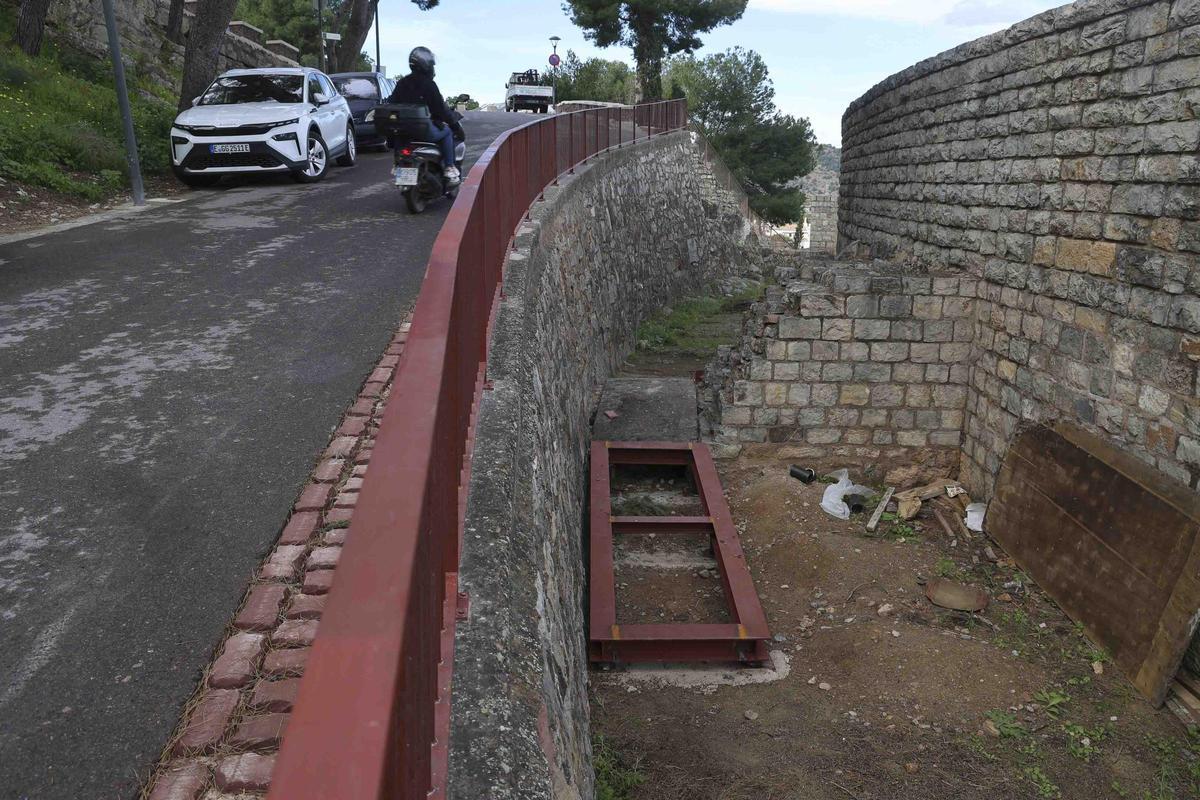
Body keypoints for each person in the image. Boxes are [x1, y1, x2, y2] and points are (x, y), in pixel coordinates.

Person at [386, 46, 463, 186]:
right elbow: (440, 109)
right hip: (424, 132)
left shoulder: (402, 83)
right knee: (447, 132)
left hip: (404, 133)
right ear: (425, 65)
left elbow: (391, 103)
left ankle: (398, 165)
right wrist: (453, 123)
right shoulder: (429, 85)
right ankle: (449, 167)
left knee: (399, 138)